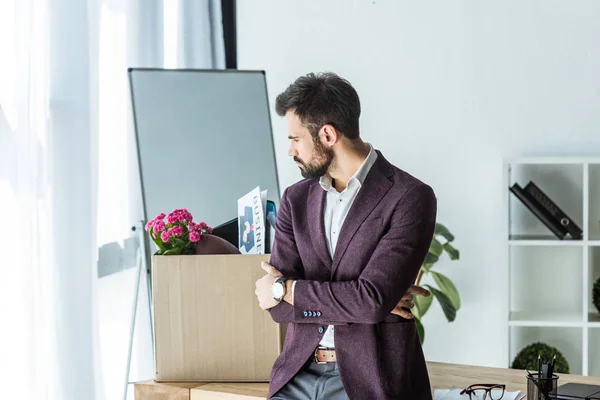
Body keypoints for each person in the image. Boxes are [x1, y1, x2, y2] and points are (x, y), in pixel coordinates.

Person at [254, 72, 436, 400]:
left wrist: (285, 288)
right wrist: (362, 302)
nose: (290, 150)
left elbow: (368, 301)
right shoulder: (295, 200)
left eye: (295, 139)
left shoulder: (409, 197)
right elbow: (278, 310)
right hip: (296, 375)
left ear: (326, 134)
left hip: (367, 382)